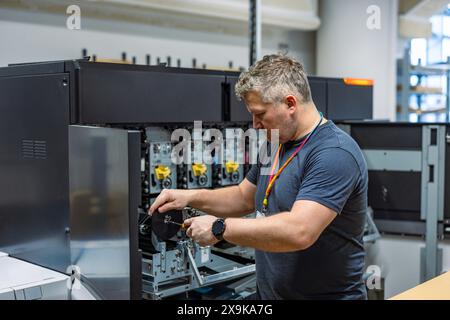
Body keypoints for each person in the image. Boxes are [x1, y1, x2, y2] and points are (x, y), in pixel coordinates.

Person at [149, 54, 368, 300]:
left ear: (290, 104)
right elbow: (243, 196)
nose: (254, 125)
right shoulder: (276, 143)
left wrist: (220, 228)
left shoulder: (333, 153)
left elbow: (300, 230)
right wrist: (189, 197)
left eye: (260, 114)